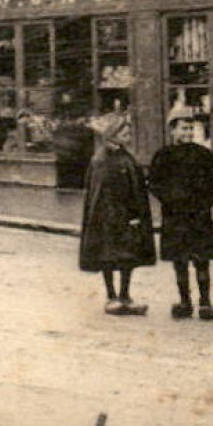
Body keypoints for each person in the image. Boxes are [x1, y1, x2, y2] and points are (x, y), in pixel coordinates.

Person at [148, 106, 213, 320]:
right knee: (179, 261)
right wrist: (170, 200)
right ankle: (185, 301)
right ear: (172, 130)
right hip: (175, 217)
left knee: (202, 261)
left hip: (199, 216)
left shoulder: (203, 155)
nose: (188, 133)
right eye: (183, 128)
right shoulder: (163, 156)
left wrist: (205, 201)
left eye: (191, 128)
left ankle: (205, 303)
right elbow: (154, 183)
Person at [79, 112, 156, 315]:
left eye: (128, 130)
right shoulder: (102, 159)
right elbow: (101, 192)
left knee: (128, 257)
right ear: (112, 134)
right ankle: (111, 296)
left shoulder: (123, 155)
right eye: (124, 130)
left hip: (126, 216)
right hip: (110, 218)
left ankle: (125, 295)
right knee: (109, 256)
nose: (128, 133)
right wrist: (121, 216)